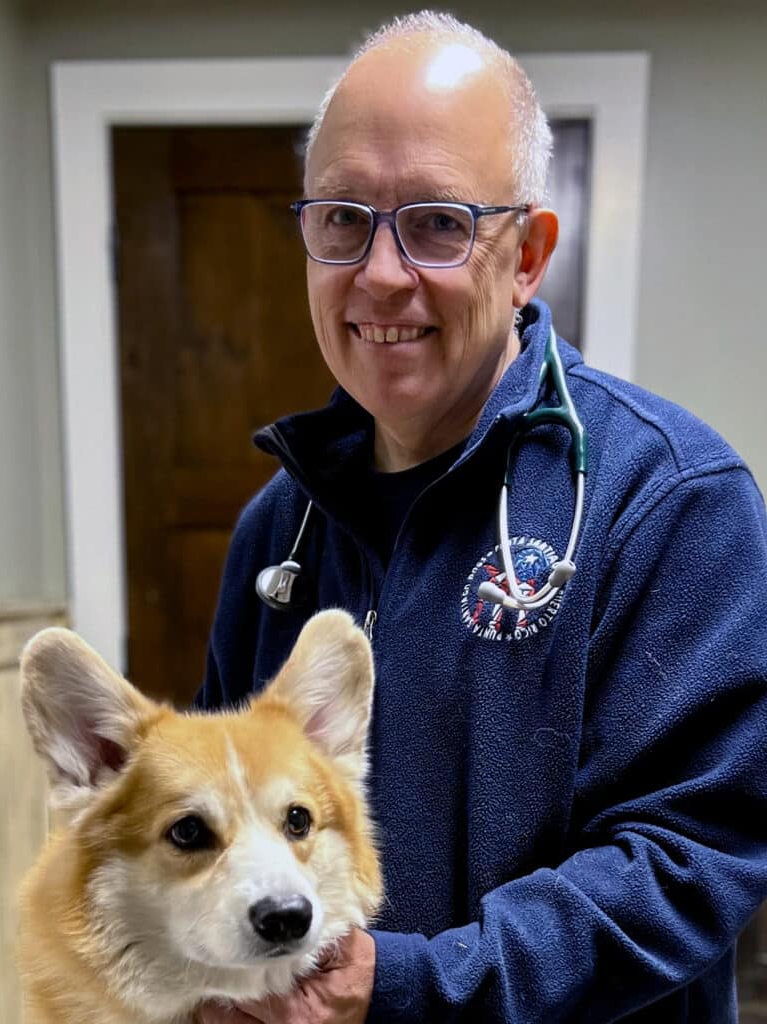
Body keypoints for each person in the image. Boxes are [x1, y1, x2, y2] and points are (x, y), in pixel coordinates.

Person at [194, 10, 767, 1024]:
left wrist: (407, 987)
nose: (379, 273)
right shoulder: (275, 532)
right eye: (341, 219)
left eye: (436, 222)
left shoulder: (670, 500)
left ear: (529, 254)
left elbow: (688, 862)